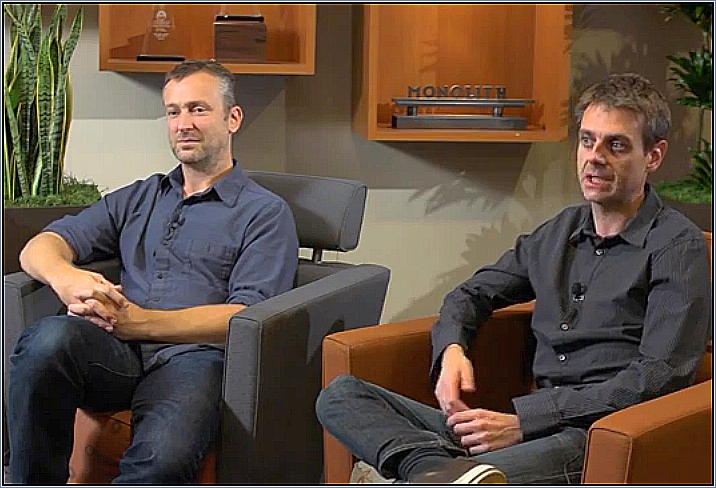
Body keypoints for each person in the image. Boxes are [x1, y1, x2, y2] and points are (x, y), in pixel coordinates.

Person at [316, 73, 712, 484]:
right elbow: (471, 294)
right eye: (587, 140)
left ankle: (447, 474)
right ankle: (437, 469)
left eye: (616, 145)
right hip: (520, 432)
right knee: (341, 396)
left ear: (654, 156)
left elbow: (659, 375)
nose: (594, 157)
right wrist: (451, 349)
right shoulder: (558, 232)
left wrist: (526, 421)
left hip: (591, 435)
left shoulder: (676, 246)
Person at [7, 60, 299, 484]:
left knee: (162, 461)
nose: (183, 124)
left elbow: (246, 314)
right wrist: (68, 280)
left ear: (232, 118)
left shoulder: (264, 213)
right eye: (173, 111)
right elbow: (40, 247)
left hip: (193, 359)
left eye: (198, 109)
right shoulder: (141, 196)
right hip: (114, 351)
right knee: (45, 341)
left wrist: (138, 322)